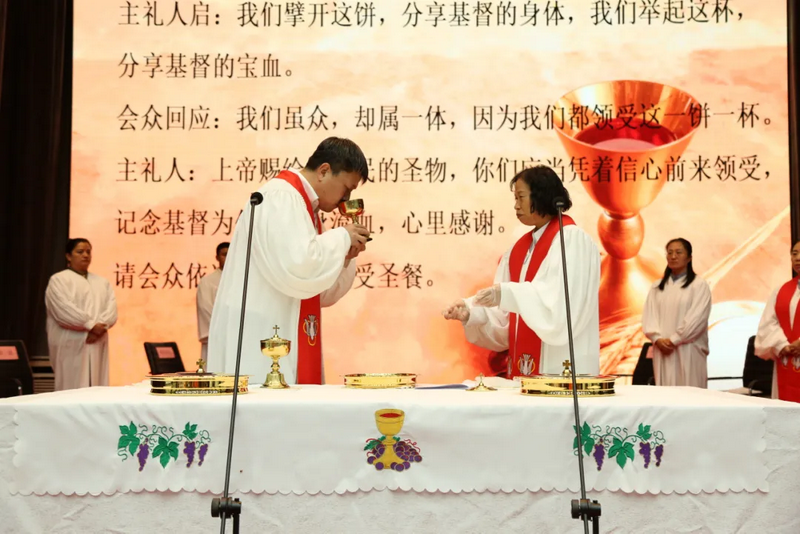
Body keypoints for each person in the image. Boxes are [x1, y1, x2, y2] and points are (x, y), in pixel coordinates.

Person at [207, 137, 371, 384]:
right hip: (261, 326)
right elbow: (298, 265)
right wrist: (341, 237)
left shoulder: (305, 206)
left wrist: (344, 256)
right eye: (346, 188)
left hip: (277, 320)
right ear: (324, 171)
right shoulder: (281, 196)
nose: (346, 198)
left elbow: (317, 290)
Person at [442, 165, 601, 377]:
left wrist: (507, 294)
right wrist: (473, 312)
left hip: (561, 371)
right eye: (515, 199)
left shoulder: (571, 240)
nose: (516, 206)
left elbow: (559, 306)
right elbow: (506, 323)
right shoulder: (518, 251)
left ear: (541, 196)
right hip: (523, 377)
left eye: (521, 197)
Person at [44, 238, 118, 390]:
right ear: (68, 256)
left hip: (97, 341)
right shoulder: (59, 280)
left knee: (97, 385)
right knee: (71, 387)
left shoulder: (102, 282)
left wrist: (100, 327)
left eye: (88, 252)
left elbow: (111, 309)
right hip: (72, 342)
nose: (85, 255)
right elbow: (63, 310)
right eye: (80, 252)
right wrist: (90, 325)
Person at [641, 238, 712, 388]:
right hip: (662, 349)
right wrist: (657, 338)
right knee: (665, 392)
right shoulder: (657, 287)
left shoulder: (699, 285)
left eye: (679, 252)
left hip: (688, 349)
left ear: (689, 258)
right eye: (670, 252)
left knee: (690, 392)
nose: (673, 256)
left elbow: (697, 319)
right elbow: (649, 316)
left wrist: (675, 339)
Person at [755, 240, 800, 402]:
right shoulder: (781, 290)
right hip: (787, 360)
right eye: (794, 254)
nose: (797, 258)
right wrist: (783, 345)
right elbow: (768, 323)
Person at [196, 242, 229, 362]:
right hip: (218, 337)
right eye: (224, 254)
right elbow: (205, 308)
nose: (228, 258)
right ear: (217, 257)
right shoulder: (208, 281)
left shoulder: (243, 281)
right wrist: (224, 329)